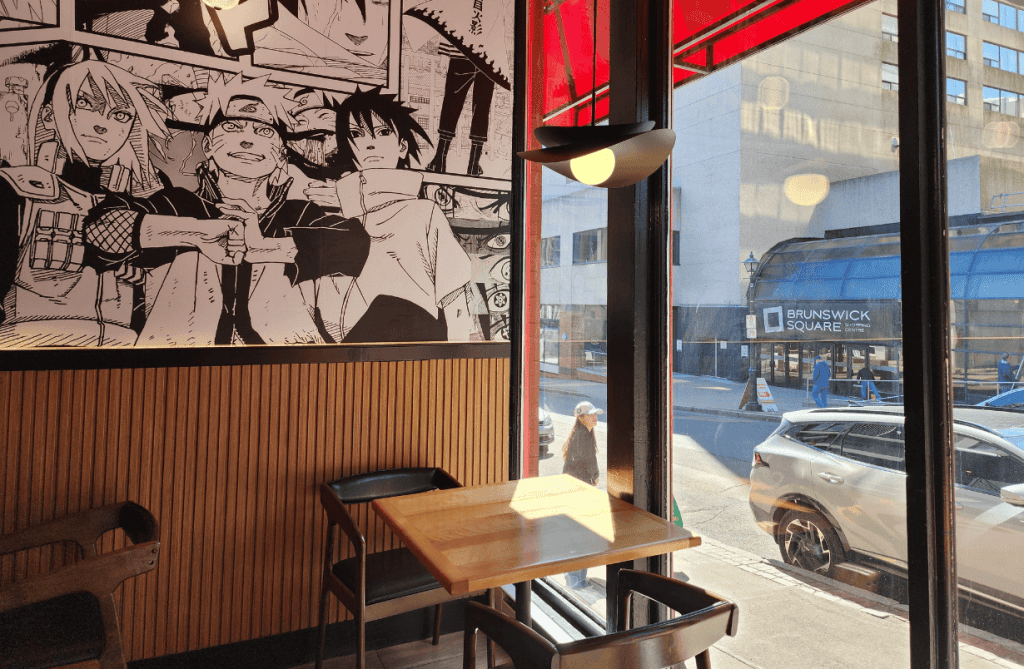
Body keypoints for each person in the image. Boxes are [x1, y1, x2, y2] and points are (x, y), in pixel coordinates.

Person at [85, 74, 371, 346]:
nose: (247, 141)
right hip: (181, 364)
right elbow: (99, 230)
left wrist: (262, 247)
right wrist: (198, 234)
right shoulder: (177, 205)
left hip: (284, 363)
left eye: (264, 131)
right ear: (208, 144)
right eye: (232, 127)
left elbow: (355, 245)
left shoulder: (299, 214)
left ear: (281, 153)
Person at [0, 59, 172, 348]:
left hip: (121, 351)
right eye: (84, 104)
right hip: (32, 348)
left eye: (120, 115)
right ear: (49, 116)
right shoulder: (15, 189)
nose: (102, 124)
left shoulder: (135, 204)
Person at [296, 87, 478, 342]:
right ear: (347, 147)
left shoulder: (424, 212)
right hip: (339, 348)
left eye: (383, 132)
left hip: (410, 340)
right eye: (356, 134)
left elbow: (454, 293)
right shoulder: (333, 216)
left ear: (402, 146)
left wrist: (457, 351)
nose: (370, 143)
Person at [561, 400, 602, 589]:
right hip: (578, 491)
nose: (594, 417)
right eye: (590, 414)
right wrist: (595, 476)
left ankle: (575, 577)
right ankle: (576, 581)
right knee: (580, 536)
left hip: (574, 489)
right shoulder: (583, 436)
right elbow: (589, 461)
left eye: (595, 414)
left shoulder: (581, 434)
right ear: (581, 417)